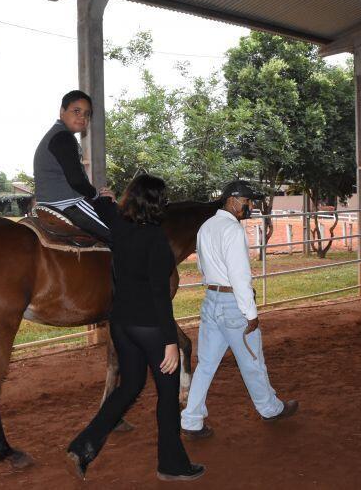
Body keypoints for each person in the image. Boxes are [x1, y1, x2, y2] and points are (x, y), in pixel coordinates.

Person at [67, 174, 205, 482]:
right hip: (150, 328)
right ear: (157, 204)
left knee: (130, 387)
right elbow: (160, 295)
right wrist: (170, 341)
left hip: (120, 324)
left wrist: (106, 197)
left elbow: (105, 209)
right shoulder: (156, 240)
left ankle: (83, 445)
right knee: (167, 395)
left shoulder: (119, 226)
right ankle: (171, 464)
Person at [180, 180, 298, 440]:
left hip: (211, 300)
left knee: (206, 365)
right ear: (232, 200)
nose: (250, 206)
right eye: (247, 201)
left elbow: (201, 266)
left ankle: (191, 419)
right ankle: (270, 409)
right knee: (253, 362)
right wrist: (251, 313)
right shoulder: (232, 230)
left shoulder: (206, 227)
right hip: (233, 305)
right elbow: (240, 276)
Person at [33, 90, 113, 243]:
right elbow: (76, 180)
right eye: (76, 111)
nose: (82, 117)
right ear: (62, 111)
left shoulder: (58, 134)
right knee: (122, 233)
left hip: (48, 202)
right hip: (66, 203)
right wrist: (97, 195)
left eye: (87, 114)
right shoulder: (63, 137)